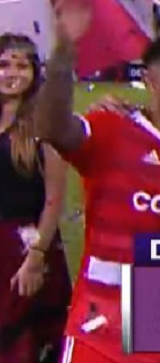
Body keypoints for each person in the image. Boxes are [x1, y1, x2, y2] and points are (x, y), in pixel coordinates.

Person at [35, 0, 160, 363]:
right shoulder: (111, 129)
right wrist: (64, 55)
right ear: (149, 79)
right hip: (99, 336)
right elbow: (52, 128)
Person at [0, 34, 71, 363]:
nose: (11, 72)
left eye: (21, 65)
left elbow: (55, 199)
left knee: (24, 346)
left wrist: (37, 255)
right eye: (3, 64)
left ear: (34, 73)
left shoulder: (44, 124)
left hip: (26, 249)